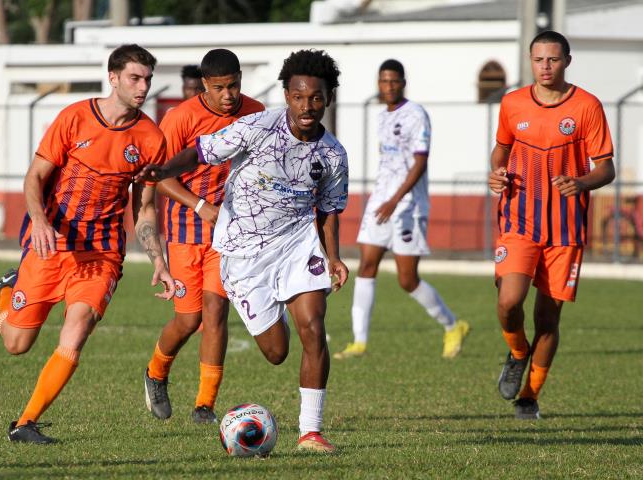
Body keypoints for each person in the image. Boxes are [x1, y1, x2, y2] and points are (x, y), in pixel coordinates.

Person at [136, 49, 348, 453]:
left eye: (316, 98)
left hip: (296, 245)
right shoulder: (256, 126)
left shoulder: (334, 155)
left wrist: (333, 256)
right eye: (299, 97)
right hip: (242, 251)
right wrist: (163, 172)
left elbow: (328, 210)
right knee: (276, 351)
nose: (307, 107)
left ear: (328, 98)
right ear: (287, 95)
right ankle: (276, 308)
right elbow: (200, 151)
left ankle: (310, 431)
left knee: (315, 328)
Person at [0, 44, 175, 444]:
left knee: (78, 325)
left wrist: (159, 259)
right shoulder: (74, 118)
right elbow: (34, 178)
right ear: (113, 77)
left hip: (101, 252)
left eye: (148, 79)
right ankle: (6, 294)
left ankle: (25, 423)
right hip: (53, 243)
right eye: (135, 78)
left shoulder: (151, 138)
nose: (143, 87)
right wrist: (38, 220)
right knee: (17, 344)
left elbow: (146, 207)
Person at [489, 31, 615, 419]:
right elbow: (502, 150)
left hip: (565, 228)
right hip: (519, 218)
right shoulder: (512, 103)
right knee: (509, 301)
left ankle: (529, 396)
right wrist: (496, 171)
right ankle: (517, 351)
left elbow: (605, 168)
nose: (546, 66)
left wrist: (579, 183)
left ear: (567, 61)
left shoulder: (587, 106)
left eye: (553, 60)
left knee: (548, 318)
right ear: (531, 61)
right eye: (539, 59)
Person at [144, 49, 264, 424]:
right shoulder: (180, 118)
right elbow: (160, 177)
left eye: (234, 86)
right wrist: (200, 207)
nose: (228, 95)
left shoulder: (257, 112)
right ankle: (155, 373)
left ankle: (205, 406)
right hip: (185, 231)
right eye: (219, 88)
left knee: (216, 313)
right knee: (188, 319)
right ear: (204, 87)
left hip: (230, 234)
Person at [334, 59, 470, 361]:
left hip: (407, 205)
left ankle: (453, 325)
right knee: (366, 265)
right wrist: (383, 198)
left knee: (407, 279)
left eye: (394, 81)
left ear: (403, 83)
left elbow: (420, 162)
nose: (389, 86)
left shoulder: (416, 115)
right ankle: (359, 342)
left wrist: (395, 199)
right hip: (380, 202)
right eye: (383, 81)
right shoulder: (382, 116)